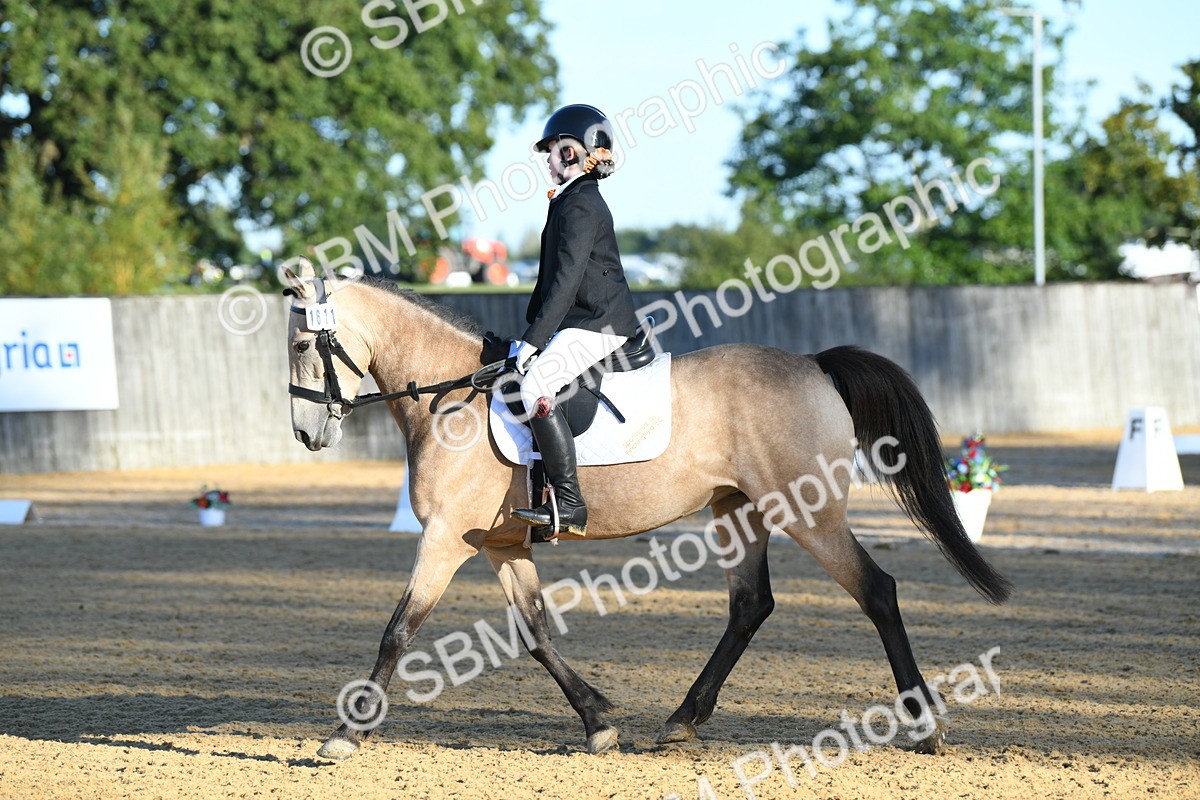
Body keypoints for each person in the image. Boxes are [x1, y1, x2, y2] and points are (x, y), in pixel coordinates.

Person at [508, 104, 641, 537]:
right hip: (584, 322)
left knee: (534, 385)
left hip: (598, 323)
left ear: (572, 152)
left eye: (552, 150)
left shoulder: (581, 204)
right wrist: (528, 333)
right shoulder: (571, 201)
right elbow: (550, 283)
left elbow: (566, 282)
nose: (547, 159)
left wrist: (533, 342)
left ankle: (569, 503)